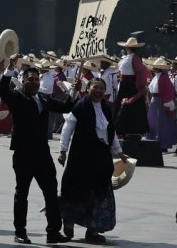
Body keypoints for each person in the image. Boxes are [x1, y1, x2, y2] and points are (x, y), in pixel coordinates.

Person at [0, 60, 73, 244]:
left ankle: (53, 231)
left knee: (51, 192)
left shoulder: (44, 99)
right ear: (23, 82)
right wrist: (9, 69)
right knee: (22, 193)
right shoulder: (17, 97)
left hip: (42, 154)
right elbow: (2, 91)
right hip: (23, 154)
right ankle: (20, 231)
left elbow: (66, 107)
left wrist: (74, 92)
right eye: (30, 79)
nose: (34, 82)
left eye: (36, 80)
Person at [58, 77, 130, 244]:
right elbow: (68, 128)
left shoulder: (106, 108)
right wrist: (63, 150)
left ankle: (93, 230)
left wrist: (120, 153)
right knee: (76, 191)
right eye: (95, 87)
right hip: (82, 157)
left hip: (101, 157)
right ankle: (68, 221)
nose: (98, 91)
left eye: (101, 88)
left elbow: (110, 132)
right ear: (88, 88)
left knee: (100, 193)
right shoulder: (80, 106)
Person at [114, 37, 149, 136]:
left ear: (128, 47)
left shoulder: (135, 58)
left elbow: (140, 74)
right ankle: (122, 131)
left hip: (130, 86)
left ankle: (129, 131)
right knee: (123, 107)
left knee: (130, 108)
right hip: (124, 85)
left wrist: (139, 86)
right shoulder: (128, 58)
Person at [145, 58, 176, 151]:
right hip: (154, 101)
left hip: (161, 101)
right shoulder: (155, 77)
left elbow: (169, 91)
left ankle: (162, 144)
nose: (153, 68)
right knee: (153, 122)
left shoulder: (164, 78)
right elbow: (151, 89)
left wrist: (167, 103)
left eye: (155, 67)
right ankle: (153, 141)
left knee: (161, 123)